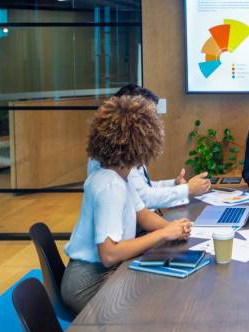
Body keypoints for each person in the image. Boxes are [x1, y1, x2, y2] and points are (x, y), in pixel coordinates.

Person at [62, 96, 192, 314]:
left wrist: (175, 229)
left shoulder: (118, 174)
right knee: (158, 298)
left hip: (97, 273)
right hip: (88, 284)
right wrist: (163, 234)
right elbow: (109, 254)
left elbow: (142, 215)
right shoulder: (111, 186)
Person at [87, 84, 211, 209]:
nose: (153, 123)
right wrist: (187, 189)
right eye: (149, 116)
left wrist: (175, 184)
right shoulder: (116, 159)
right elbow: (145, 198)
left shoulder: (125, 147)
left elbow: (143, 188)